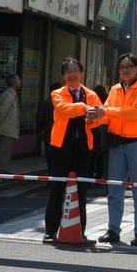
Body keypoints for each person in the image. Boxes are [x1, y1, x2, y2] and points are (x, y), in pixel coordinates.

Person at [43, 58, 103, 244]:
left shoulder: (91, 94)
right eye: (68, 71)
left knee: (82, 190)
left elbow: (101, 116)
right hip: (61, 147)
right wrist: (84, 108)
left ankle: (80, 231)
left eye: (75, 70)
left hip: (83, 148)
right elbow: (64, 109)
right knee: (57, 189)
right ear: (63, 75)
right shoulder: (57, 93)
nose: (72, 74)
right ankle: (51, 230)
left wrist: (93, 118)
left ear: (81, 72)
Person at [97, 53, 137, 247]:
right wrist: (93, 117)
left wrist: (105, 112)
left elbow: (136, 112)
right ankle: (113, 230)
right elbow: (106, 114)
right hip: (117, 143)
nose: (126, 70)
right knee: (114, 189)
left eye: (129, 66)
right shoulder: (114, 89)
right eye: (122, 67)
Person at [0, 74, 21, 174]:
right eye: (18, 80)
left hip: (8, 127)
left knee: (6, 149)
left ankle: (2, 168)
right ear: (14, 83)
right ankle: (0, 168)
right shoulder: (10, 95)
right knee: (5, 149)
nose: (20, 82)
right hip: (7, 127)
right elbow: (2, 111)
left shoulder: (11, 94)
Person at [36, 82, 63, 176]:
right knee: (61, 158)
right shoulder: (66, 104)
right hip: (62, 136)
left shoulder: (46, 103)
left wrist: (44, 128)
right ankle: (59, 176)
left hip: (49, 135)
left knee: (50, 157)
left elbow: (40, 118)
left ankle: (52, 176)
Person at [88, 85, 108, 184]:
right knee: (101, 157)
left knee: (91, 156)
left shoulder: (92, 102)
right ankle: (99, 177)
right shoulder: (107, 102)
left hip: (94, 131)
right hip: (104, 132)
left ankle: (89, 177)